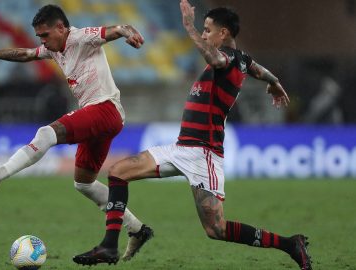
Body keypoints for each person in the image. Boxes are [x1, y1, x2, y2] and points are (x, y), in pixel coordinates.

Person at [73, 1, 312, 269]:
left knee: (216, 229)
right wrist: (274, 82)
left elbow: (215, 57)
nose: (205, 34)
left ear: (224, 34)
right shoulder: (242, 60)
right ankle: (109, 245)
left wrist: (188, 25)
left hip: (204, 154)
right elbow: (257, 68)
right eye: (203, 29)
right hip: (181, 147)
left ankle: (290, 244)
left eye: (208, 30)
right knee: (118, 172)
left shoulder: (228, 58)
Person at [0, 4, 153, 261]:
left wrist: (128, 31)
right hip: (99, 117)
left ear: (61, 28)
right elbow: (26, 54)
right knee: (84, 183)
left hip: (105, 109)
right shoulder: (55, 49)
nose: (42, 41)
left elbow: (114, 29)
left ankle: (0, 174)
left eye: (45, 35)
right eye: (39, 36)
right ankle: (137, 229)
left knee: (46, 133)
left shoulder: (80, 37)